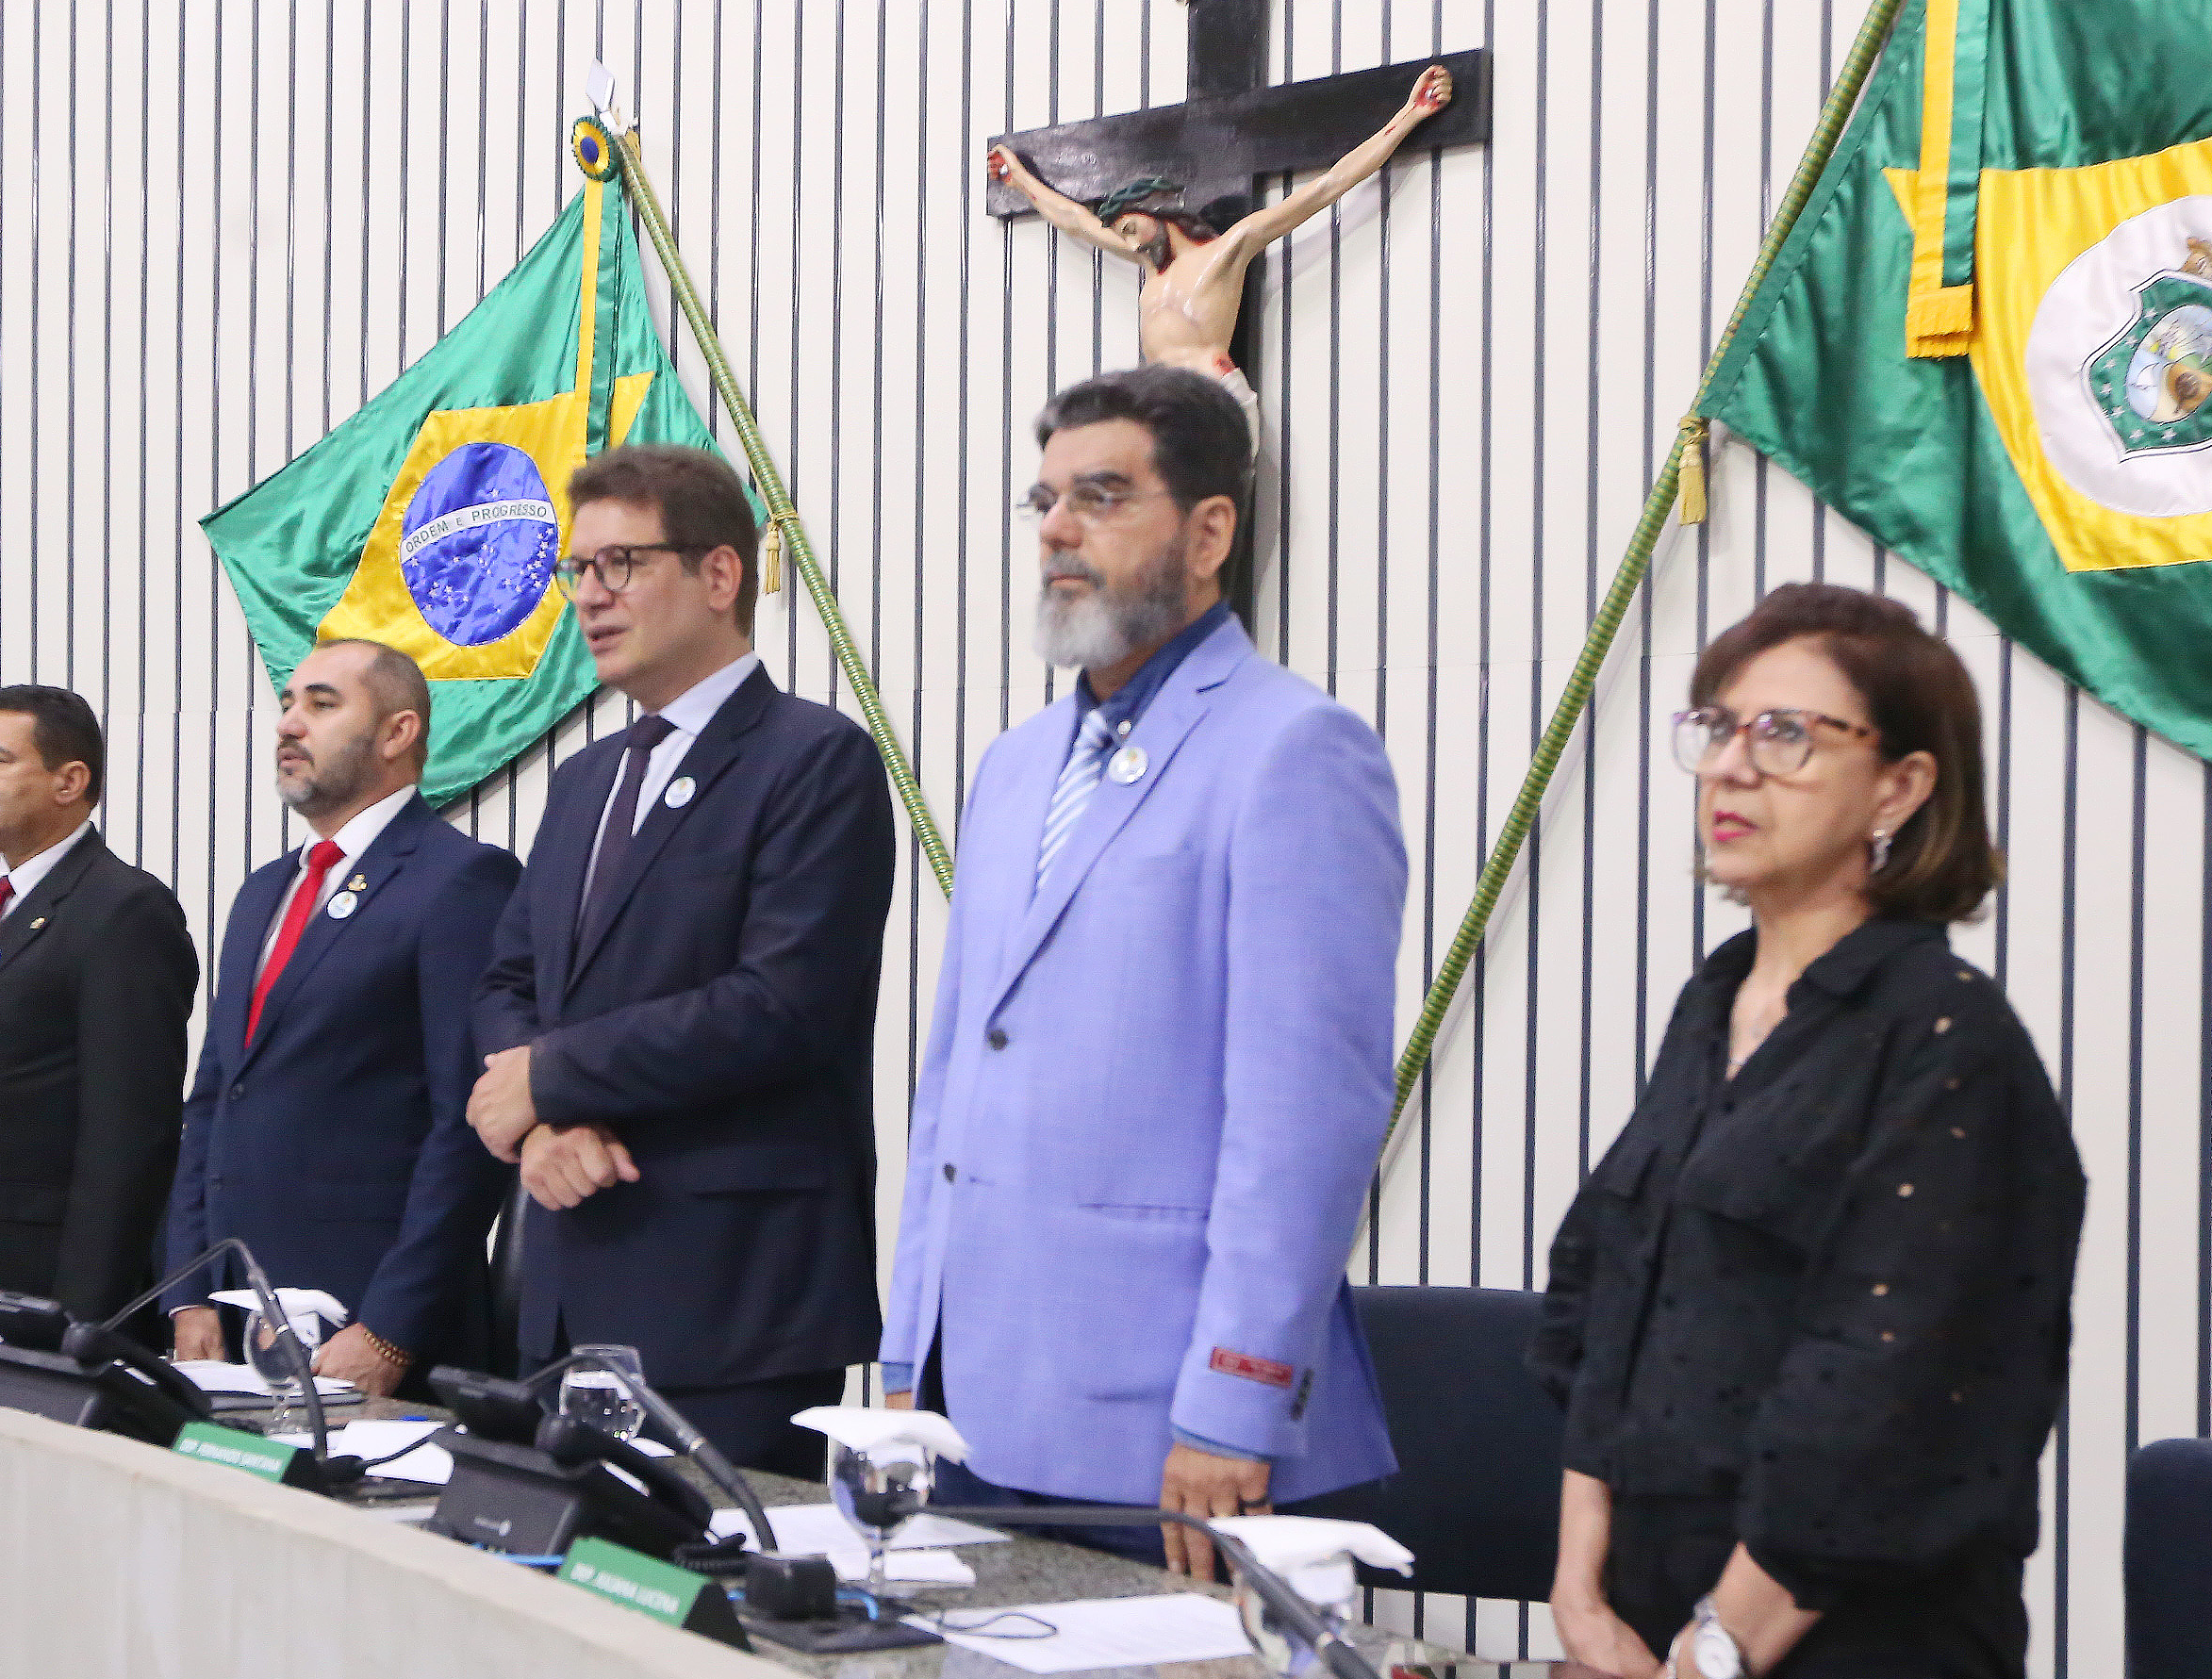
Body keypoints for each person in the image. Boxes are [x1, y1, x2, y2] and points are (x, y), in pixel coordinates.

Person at [1529, 584, 2084, 1679]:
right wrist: (1580, 1594)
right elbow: (1604, 1302)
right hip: (1639, 1628)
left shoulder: (1947, 1039)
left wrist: (1706, 1671)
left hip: (1845, 1662)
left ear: (1900, 787)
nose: (1733, 767)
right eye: (1719, 727)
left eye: (1787, 735)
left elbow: (1881, 1407)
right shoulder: (1714, 1001)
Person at [880, 368, 1406, 1580]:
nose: (1058, 530)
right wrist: (911, 1348)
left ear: (1209, 532)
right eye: (1046, 500)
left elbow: (1306, 1121)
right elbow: (956, 1076)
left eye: (1103, 497)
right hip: (974, 1400)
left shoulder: (1294, 749)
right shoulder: (1016, 766)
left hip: (1172, 1427)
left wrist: (1236, 1398)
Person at [469, 444, 897, 1475]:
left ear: (719, 574)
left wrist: (550, 1078)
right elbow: (511, 980)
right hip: (564, 1279)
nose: (590, 596)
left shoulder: (814, 759)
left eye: (621, 564)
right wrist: (543, 1122)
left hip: (731, 1301)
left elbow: (780, 1005)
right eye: (578, 570)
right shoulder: (585, 781)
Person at [167, 640, 520, 1394]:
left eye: (322, 705)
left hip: (368, 1316)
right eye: (288, 704)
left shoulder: (459, 880)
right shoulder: (263, 892)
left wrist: (392, 1329)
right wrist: (189, 1289)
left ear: (397, 732)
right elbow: (215, 1100)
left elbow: (467, 1127)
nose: (290, 724)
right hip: (234, 1308)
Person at [0, 684, 198, 1323]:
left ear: (70, 782)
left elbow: (128, 1135)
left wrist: (83, 1313)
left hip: (35, 1279)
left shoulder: (123, 910)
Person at [988, 62, 1450, 429]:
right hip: (1159, 404)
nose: (1124, 240)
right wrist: (1019, 178)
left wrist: (1410, 114)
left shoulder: (1229, 250)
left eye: (1129, 227)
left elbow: (1328, 186)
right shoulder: (1148, 263)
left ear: (1160, 215)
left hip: (1214, 397)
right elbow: (1074, 219)